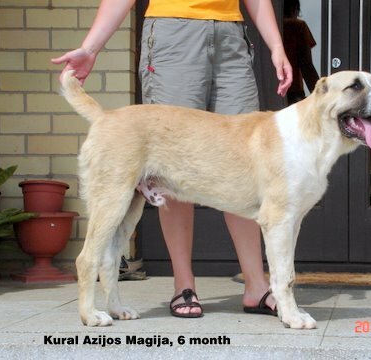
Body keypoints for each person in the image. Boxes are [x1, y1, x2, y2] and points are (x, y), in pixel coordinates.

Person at [52, 0, 292, 318]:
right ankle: (184, 285)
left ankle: (256, 287)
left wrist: (276, 45)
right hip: (172, 31)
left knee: (243, 162)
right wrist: (91, 47)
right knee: (173, 163)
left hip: (230, 35)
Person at [283, 0, 319, 104]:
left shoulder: (268, 26)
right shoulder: (298, 26)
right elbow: (306, 65)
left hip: (269, 86)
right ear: (294, 8)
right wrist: (318, 93)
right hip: (293, 89)